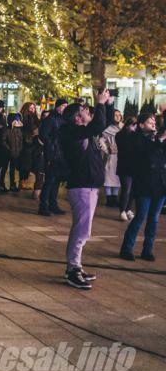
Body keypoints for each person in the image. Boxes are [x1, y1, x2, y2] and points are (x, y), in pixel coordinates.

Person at [59, 90, 111, 290]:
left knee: (83, 230)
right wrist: (100, 104)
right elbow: (99, 124)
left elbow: (101, 124)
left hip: (88, 186)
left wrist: (106, 104)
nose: (89, 112)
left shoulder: (80, 131)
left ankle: (76, 266)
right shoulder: (72, 132)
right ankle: (73, 270)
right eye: (85, 111)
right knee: (81, 230)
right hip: (82, 186)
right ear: (78, 118)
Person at [119, 113, 166, 261]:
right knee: (140, 216)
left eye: (154, 121)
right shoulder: (136, 138)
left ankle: (148, 250)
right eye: (149, 121)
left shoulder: (157, 138)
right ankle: (127, 249)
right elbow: (144, 154)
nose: (153, 123)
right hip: (144, 185)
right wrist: (159, 140)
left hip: (160, 185)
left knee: (154, 219)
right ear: (140, 125)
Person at [38, 99, 68, 216]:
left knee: (56, 180)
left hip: (61, 153)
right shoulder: (50, 119)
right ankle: (43, 205)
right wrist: (51, 143)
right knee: (50, 180)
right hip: (52, 153)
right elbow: (43, 135)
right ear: (58, 107)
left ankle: (53, 204)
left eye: (66, 106)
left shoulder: (63, 119)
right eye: (63, 106)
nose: (65, 108)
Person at [99, 109, 123, 207]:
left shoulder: (123, 127)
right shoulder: (108, 129)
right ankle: (109, 199)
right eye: (115, 115)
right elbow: (100, 140)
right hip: (112, 156)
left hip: (121, 155)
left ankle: (115, 197)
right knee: (109, 176)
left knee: (117, 177)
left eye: (119, 115)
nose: (117, 117)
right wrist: (106, 150)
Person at [115, 117, 138, 221]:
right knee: (126, 189)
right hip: (124, 167)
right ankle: (122, 211)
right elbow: (125, 148)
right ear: (127, 125)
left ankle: (128, 209)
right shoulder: (120, 135)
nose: (133, 127)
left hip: (134, 167)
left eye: (135, 125)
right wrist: (132, 134)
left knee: (133, 190)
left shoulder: (136, 135)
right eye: (132, 125)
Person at [2, 114, 24, 192]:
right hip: (7, 153)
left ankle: (12, 184)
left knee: (13, 170)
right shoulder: (7, 130)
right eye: (15, 121)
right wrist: (8, 148)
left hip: (16, 153)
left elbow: (21, 140)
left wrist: (20, 148)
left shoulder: (19, 130)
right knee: (4, 168)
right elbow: (3, 140)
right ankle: (2, 184)